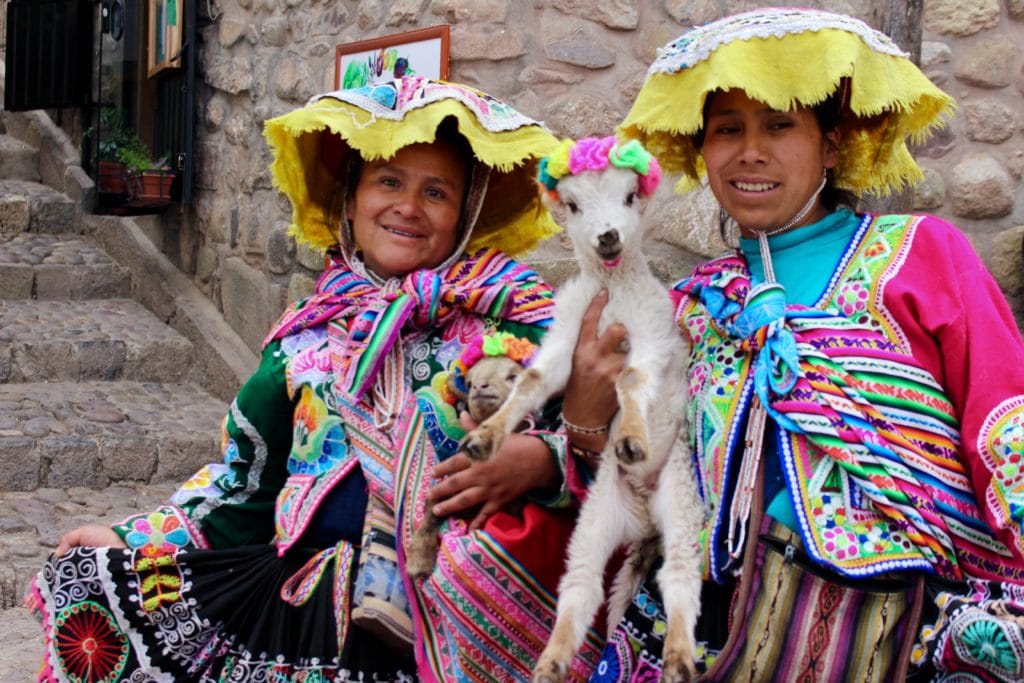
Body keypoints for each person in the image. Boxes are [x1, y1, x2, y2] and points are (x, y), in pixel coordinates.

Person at [26, 77, 604, 682]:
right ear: (349, 201)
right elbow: (244, 482)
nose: (409, 205)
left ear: (465, 215)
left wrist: (541, 460)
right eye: (389, 182)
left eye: (436, 191)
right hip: (310, 615)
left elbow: (599, 446)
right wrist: (131, 537)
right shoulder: (305, 340)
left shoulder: (524, 329)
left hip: (460, 610)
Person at [561, 8, 1024, 682]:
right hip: (720, 622)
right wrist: (583, 410)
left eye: (780, 125)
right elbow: (641, 475)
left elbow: (1004, 418)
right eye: (727, 130)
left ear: (831, 145)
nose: (751, 151)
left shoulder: (920, 254)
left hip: (897, 622)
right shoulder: (692, 304)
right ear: (701, 150)